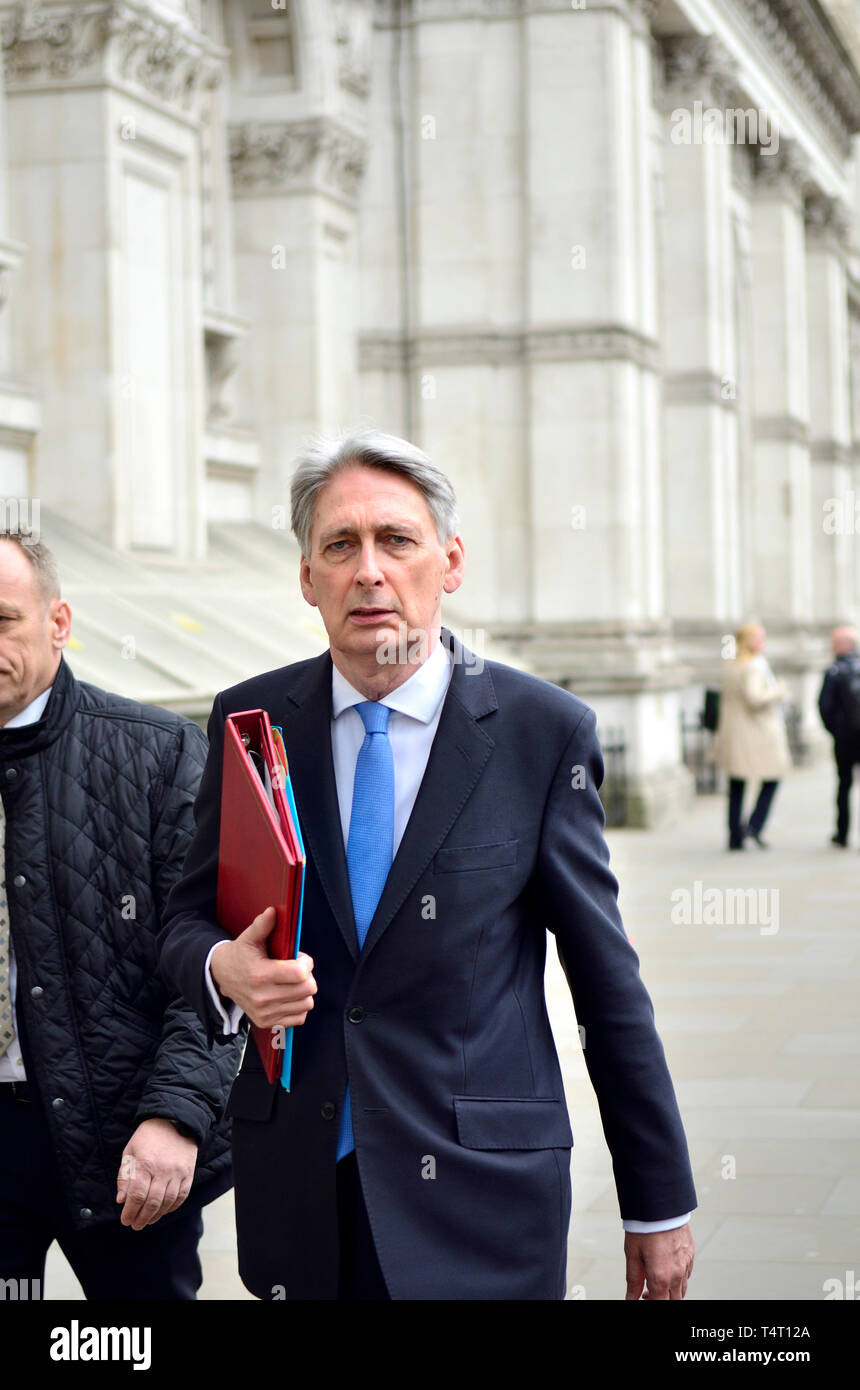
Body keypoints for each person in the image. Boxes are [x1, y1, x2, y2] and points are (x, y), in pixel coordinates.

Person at [159, 429, 697, 1301]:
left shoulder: (540, 732)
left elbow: (607, 985)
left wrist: (656, 1203)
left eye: (395, 541)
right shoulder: (251, 721)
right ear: (307, 578)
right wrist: (225, 967)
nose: (368, 570)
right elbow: (186, 922)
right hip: (302, 1196)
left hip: (481, 1201)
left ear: (448, 563)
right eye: (340, 546)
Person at [0, 531, 243, 1299]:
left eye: (2, 620)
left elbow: (217, 963)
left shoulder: (161, 754)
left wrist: (176, 1117)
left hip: (127, 1144)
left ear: (58, 622)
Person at [712, 622, 791, 850]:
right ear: (748, 640)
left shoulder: (730, 665)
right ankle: (753, 826)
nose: (763, 642)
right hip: (757, 731)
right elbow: (755, 698)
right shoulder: (754, 666)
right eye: (759, 638)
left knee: (737, 784)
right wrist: (780, 691)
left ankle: (735, 834)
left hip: (734, 732)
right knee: (772, 777)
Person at [818, 625, 860, 848]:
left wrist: (835, 730)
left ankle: (842, 834)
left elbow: (824, 706)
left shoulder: (834, 671)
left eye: (835, 642)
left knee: (844, 785)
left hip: (844, 738)